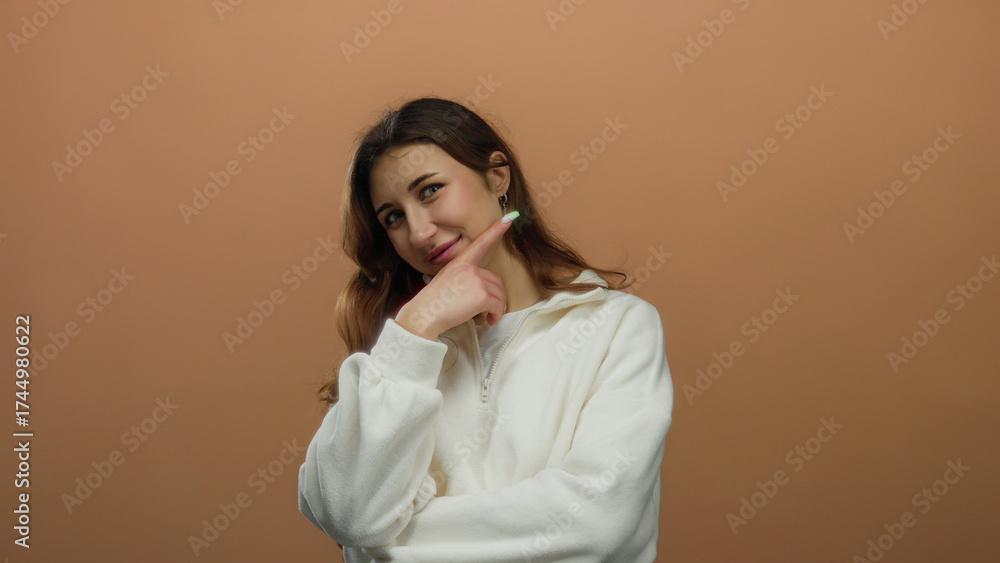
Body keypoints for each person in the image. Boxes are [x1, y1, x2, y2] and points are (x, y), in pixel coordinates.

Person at [297, 96, 674, 562]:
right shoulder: (399, 353)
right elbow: (348, 513)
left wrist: (384, 550)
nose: (418, 232)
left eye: (430, 190)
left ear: (498, 176)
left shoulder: (617, 326)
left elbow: (594, 522)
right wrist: (416, 329)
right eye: (393, 217)